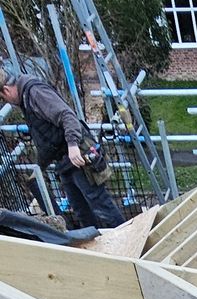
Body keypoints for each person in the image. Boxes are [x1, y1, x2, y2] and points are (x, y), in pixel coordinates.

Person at [0, 66, 126, 229]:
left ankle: (129, 243)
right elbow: (47, 137)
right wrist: (39, 167)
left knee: (101, 205)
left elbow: (67, 116)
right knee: (81, 211)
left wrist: (73, 146)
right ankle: (95, 245)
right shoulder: (27, 98)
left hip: (78, 155)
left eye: (3, 98)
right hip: (64, 162)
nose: (7, 102)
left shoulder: (35, 93)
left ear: (6, 90)